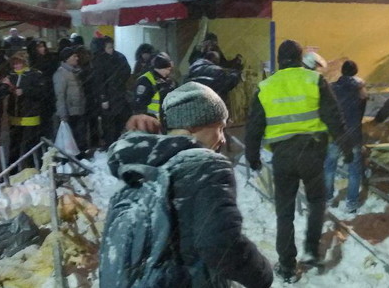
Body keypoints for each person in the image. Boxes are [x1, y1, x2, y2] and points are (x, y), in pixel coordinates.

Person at [99, 82, 273, 288]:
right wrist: (261, 273)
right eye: (219, 128)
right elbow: (219, 244)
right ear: (195, 125)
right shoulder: (205, 164)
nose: (223, 139)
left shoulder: (146, 165)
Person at [245, 39, 350, 283]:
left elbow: (254, 127)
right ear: (300, 57)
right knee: (316, 203)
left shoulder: (266, 87)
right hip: (312, 153)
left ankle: (287, 266)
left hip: (283, 156)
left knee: (285, 212)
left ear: (279, 60)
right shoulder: (314, 80)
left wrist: (252, 157)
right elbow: (334, 116)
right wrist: (346, 147)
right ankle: (312, 251)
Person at [324, 60, 367, 213]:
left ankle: (328, 198)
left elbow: (328, 110)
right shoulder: (360, 91)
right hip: (353, 134)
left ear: (342, 71)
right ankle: (351, 203)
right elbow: (360, 113)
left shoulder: (332, 88)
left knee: (330, 166)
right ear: (355, 72)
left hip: (336, 133)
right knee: (354, 170)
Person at [7, 54, 46, 169]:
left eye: (19, 63)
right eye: (14, 63)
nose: (16, 66)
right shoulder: (10, 76)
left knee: (31, 144)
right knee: (14, 146)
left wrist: (25, 91)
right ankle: (13, 170)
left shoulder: (34, 74)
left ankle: (32, 168)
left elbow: (41, 92)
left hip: (30, 115)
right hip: (15, 117)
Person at [96, 37, 132, 149]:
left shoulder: (119, 58)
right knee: (108, 123)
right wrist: (103, 98)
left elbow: (127, 71)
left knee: (119, 121)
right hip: (109, 96)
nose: (111, 49)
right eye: (108, 47)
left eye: (112, 47)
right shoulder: (100, 60)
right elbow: (99, 81)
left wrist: (119, 81)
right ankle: (110, 145)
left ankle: (116, 143)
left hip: (119, 95)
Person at [53, 47, 87, 154]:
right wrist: (63, 115)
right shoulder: (61, 74)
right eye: (74, 56)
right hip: (70, 112)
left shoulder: (76, 72)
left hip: (78, 110)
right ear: (66, 58)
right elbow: (60, 95)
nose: (77, 58)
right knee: (72, 139)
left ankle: (80, 156)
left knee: (79, 138)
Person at [133, 53, 177, 122]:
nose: (169, 72)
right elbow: (139, 106)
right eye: (168, 69)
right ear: (162, 68)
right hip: (151, 121)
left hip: (166, 120)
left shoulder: (168, 81)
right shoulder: (145, 80)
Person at [30, 40, 59, 139]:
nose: (42, 49)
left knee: (47, 120)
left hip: (48, 94)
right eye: (39, 47)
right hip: (40, 97)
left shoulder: (50, 60)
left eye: (43, 46)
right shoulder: (34, 62)